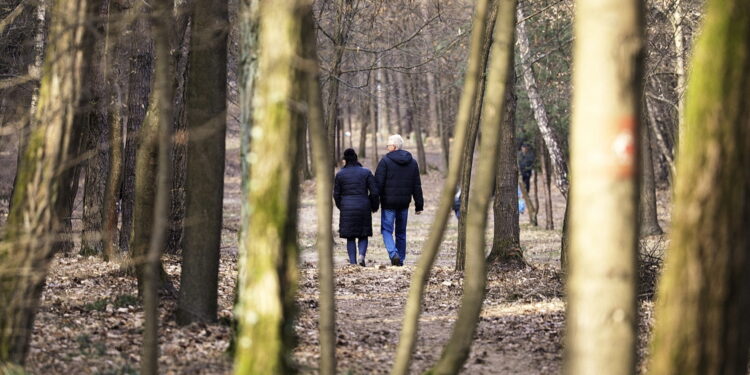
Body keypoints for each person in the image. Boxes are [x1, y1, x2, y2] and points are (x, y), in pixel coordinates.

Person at [375, 134, 424, 266]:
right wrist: (419, 205)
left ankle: (393, 253)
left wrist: (374, 203)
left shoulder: (385, 161)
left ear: (394, 147)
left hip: (388, 203)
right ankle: (400, 259)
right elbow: (416, 185)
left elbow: (377, 184)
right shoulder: (412, 162)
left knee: (386, 230)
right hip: (404, 203)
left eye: (388, 145)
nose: (387, 147)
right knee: (401, 232)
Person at [333, 148, 379, 266]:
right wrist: (374, 206)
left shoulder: (340, 175)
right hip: (363, 206)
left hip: (347, 207)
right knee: (363, 234)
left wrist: (341, 206)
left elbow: (336, 194)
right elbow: (374, 192)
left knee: (350, 236)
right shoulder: (366, 172)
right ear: (356, 158)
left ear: (345, 160)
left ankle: (353, 263)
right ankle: (361, 256)